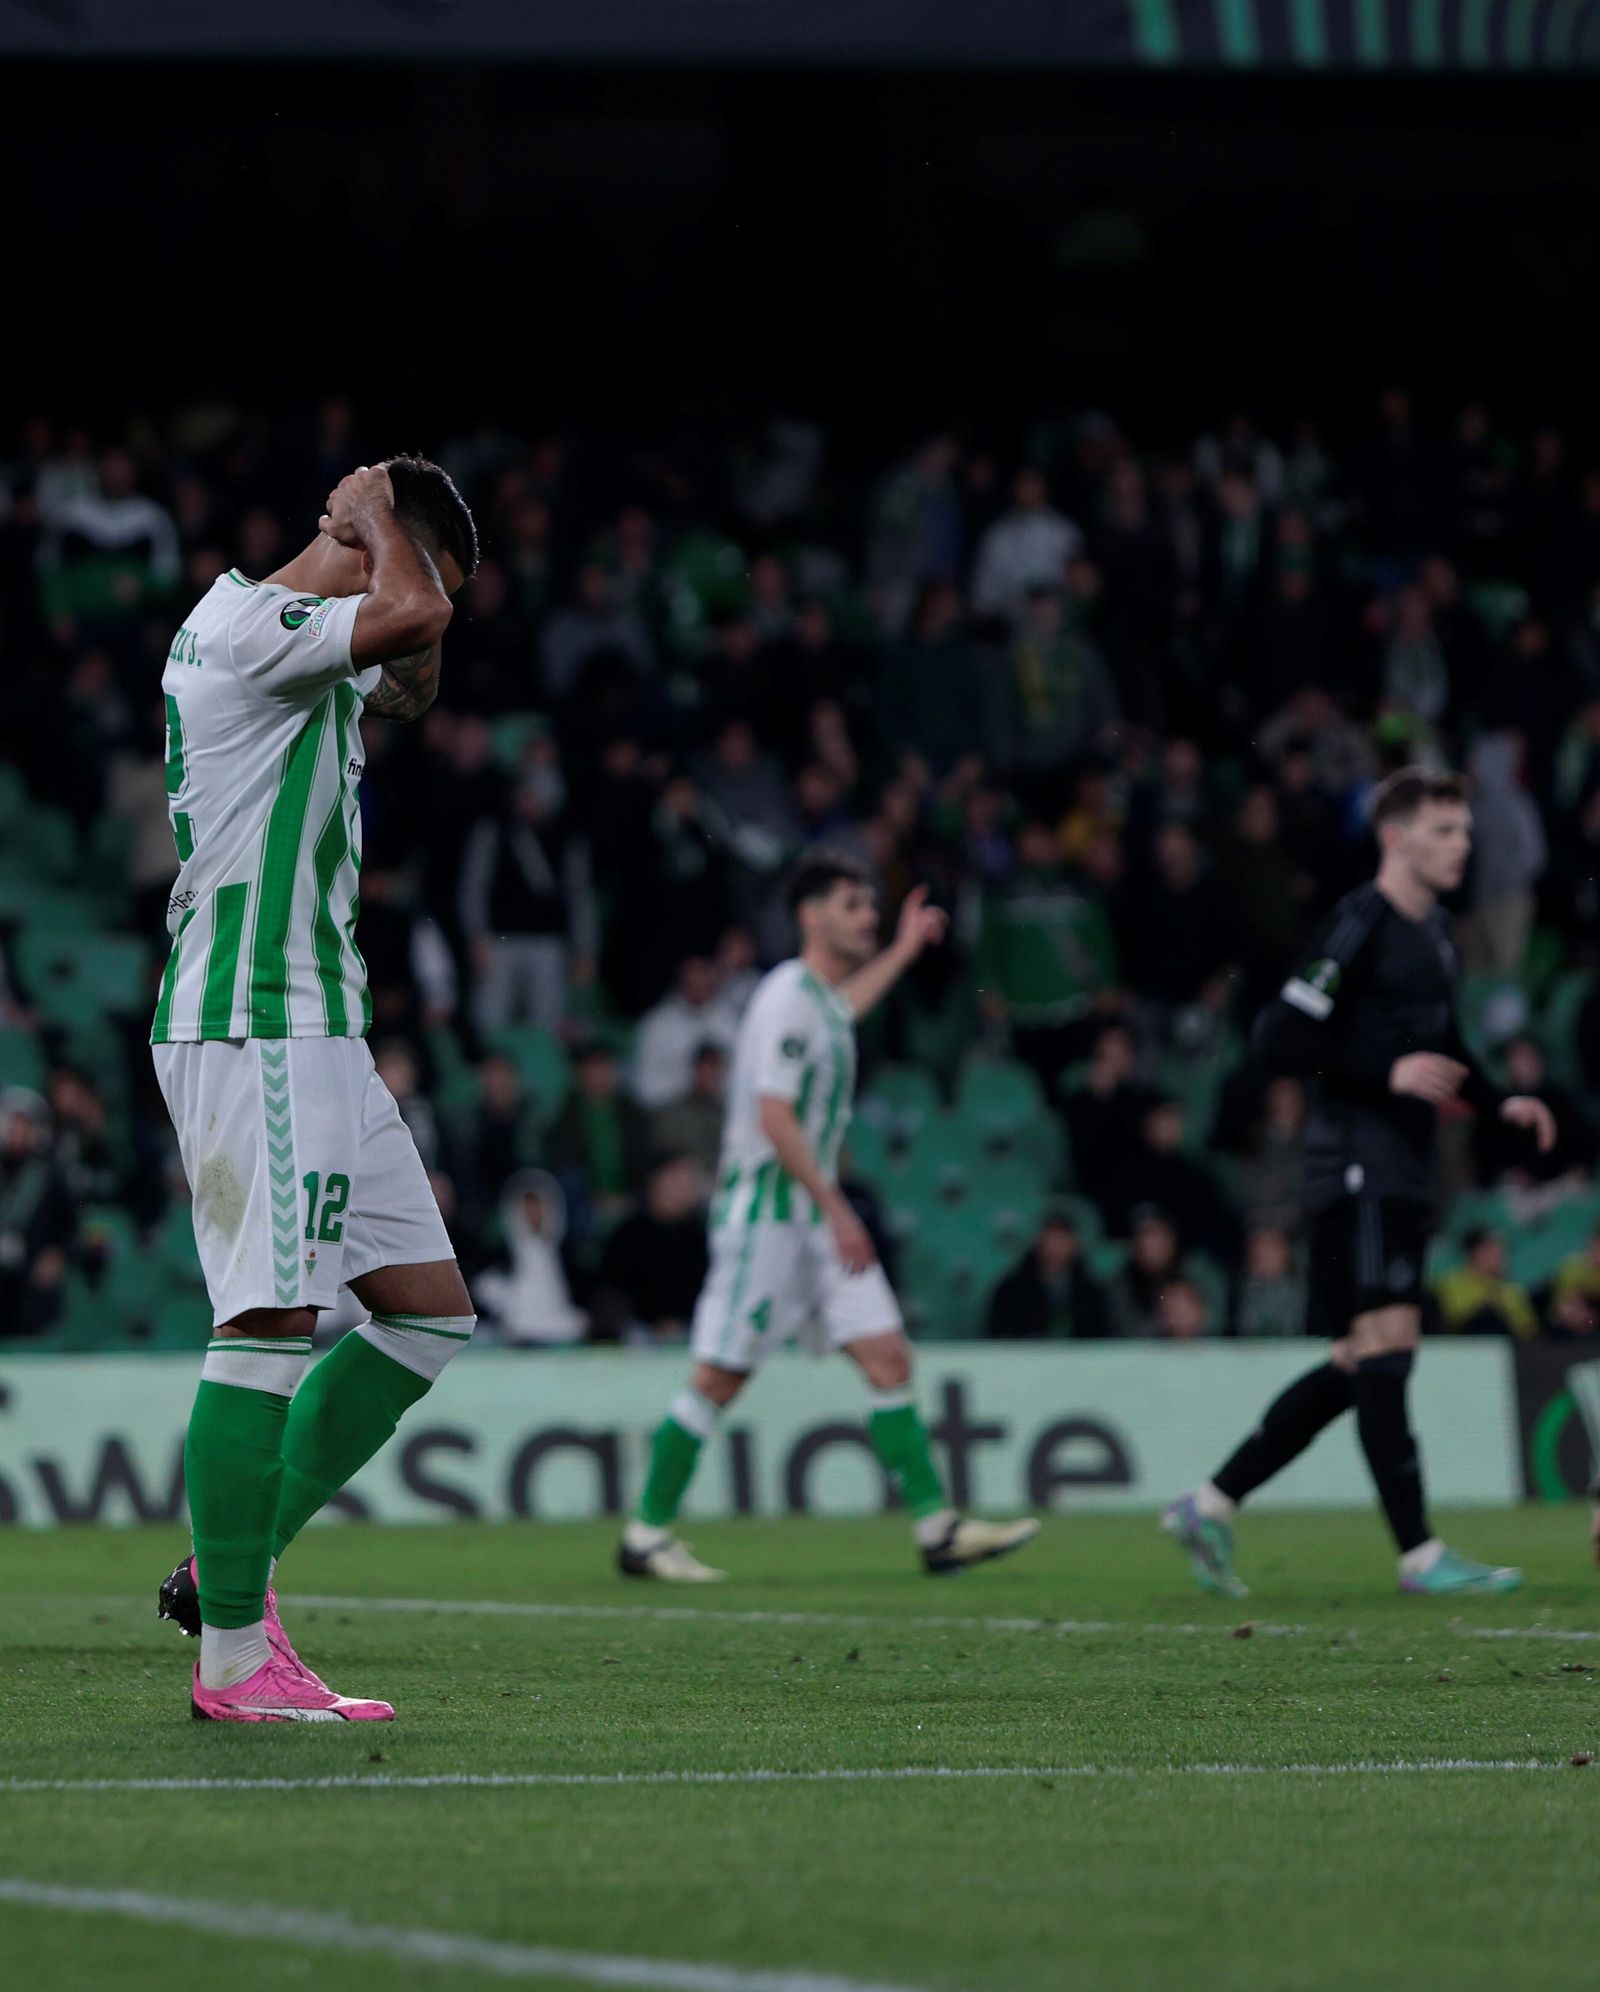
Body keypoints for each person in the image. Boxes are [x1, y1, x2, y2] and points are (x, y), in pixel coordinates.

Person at [149, 458, 483, 1720]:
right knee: (269, 1323)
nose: (422, 604)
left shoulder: (306, 641)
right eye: (409, 570)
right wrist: (386, 530)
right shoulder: (255, 629)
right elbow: (412, 625)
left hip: (320, 1027)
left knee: (426, 1314)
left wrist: (391, 547)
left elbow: (409, 672)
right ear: (358, 551)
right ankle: (236, 1657)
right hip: (258, 1019)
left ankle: (225, 1574)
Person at [1162, 767, 1556, 1599]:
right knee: (1387, 1351)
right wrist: (1385, 1069)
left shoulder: (1439, 934)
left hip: (1403, 1167)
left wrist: (1500, 1102)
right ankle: (1418, 1555)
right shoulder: (1361, 922)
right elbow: (1277, 1032)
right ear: (1396, 838)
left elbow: (1442, 1042)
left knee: (1360, 1361)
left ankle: (1209, 1504)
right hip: (1355, 1161)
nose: (1462, 844)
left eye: (1464, 830)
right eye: (1444, 830)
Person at [618, 853, 1038, 1581]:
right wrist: (838, 1205)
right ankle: (645, 1535)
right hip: (769, 1220)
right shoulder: (785, 995)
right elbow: (773, 1115)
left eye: (870, 904)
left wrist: (905, 950)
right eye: (853, 904)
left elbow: (846, 1009)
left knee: (888, 1357)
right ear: (811, 916)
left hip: (810, 1219)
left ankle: (938, 1528)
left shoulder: (818, 999)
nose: (868, 915)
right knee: (720, 1378)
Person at [985, 1208, 1109, 1340]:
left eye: (1062, 1238)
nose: (1055, 1246)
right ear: (1038, 1241)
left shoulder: (1093, 1293)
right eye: (1050, 1237)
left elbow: (1104, 1338)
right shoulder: (1010, 1291)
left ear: (1075, 1243)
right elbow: (998, 1337)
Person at [1430, 1228, 1538, 1340]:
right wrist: (1488, 1300)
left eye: (1503, 1253)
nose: (1502, 1258)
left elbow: (1529, 1330)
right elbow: (1452, 1319)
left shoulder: (1513, 1291)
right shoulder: (1449, 1284)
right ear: (1478, 1252)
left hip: (1508, 1349)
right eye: (1495, 1251)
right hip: (1461, 1348)